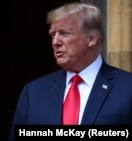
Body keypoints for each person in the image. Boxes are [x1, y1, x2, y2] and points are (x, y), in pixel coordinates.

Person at [9, 2, 132, 140]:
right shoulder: (34, 92)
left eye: (64, 33)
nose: (55, 42)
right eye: (52, 35)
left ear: (91, 39)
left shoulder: (127, 88)